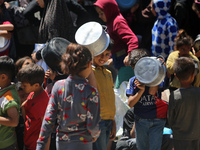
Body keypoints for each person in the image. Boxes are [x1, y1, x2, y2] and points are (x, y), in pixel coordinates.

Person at [36, 43, 101, 150]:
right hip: (83, 143)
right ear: (89, 65)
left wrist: (40, 145)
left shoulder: (58, 86)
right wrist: (95, 135)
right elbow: (92, 125)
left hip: (62, 142)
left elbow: (48, 119)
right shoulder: (91, 92)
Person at [126, 48, 168, 150]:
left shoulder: (157, 78)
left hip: (157, 119)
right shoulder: (132, 81)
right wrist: (140, 91)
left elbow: (152, 92)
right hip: (141, 120)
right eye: (135, 68)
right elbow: (130, 103)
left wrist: (158, 70)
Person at [93, 0, 139, 89]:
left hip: (126, 64)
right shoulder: (111, 22)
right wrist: (111, 58)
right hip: (119, 62)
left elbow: (132, 39)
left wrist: (130, 55)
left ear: (109, 10)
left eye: (101, 13)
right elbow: (118, 44)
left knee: (120, 91)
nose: (99, 16)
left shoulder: (118, 21)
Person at [168, 57, 200, 150]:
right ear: (193, 75)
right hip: (198, 135)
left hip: (180, 138)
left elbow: (171, 118)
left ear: (176, 76)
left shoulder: (174, 95)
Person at [17, 63, 50, 150]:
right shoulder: (32, 93)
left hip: (35, 146)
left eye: (25, 85)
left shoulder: (42, 102)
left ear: (36, 85)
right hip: (28, 142)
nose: (21, 87)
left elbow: (46, 129)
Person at [92, 42, 116, 150]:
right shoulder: (89, 72)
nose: (103, 58)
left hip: (109, 120)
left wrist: (113, 121)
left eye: (107, 54)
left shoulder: (108, 73)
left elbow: (111, 99)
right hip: (97, 121)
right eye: (100, 53)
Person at [0, 56, 20, 150]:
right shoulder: (2, 89)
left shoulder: (9, 98)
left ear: (3, 77)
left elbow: (14, 122)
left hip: (5, 145)